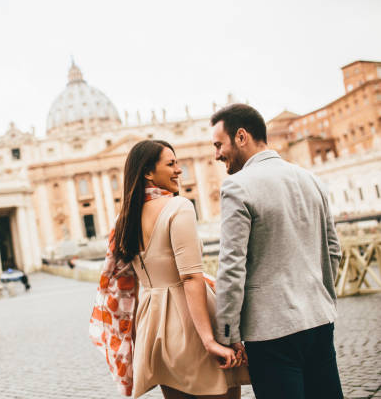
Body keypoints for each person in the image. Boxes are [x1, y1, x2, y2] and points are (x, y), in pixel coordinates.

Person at [90, 140, 249, 398]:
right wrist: (210, 339)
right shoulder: (179, 206)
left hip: (152, 326)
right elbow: (190, 277)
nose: (179, 170)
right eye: (171, 164)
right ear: (148, 173)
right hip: (192, 322)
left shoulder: (123, 220)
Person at [211, 103, 343, 399]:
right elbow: (333, 249)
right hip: (319, 320)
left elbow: (232, 267)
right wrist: (320, 297)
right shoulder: (311, 179)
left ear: (241, 136)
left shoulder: (237, 186)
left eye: (219, 145)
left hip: (271, 332)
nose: (217, 154)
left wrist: (228, 335)